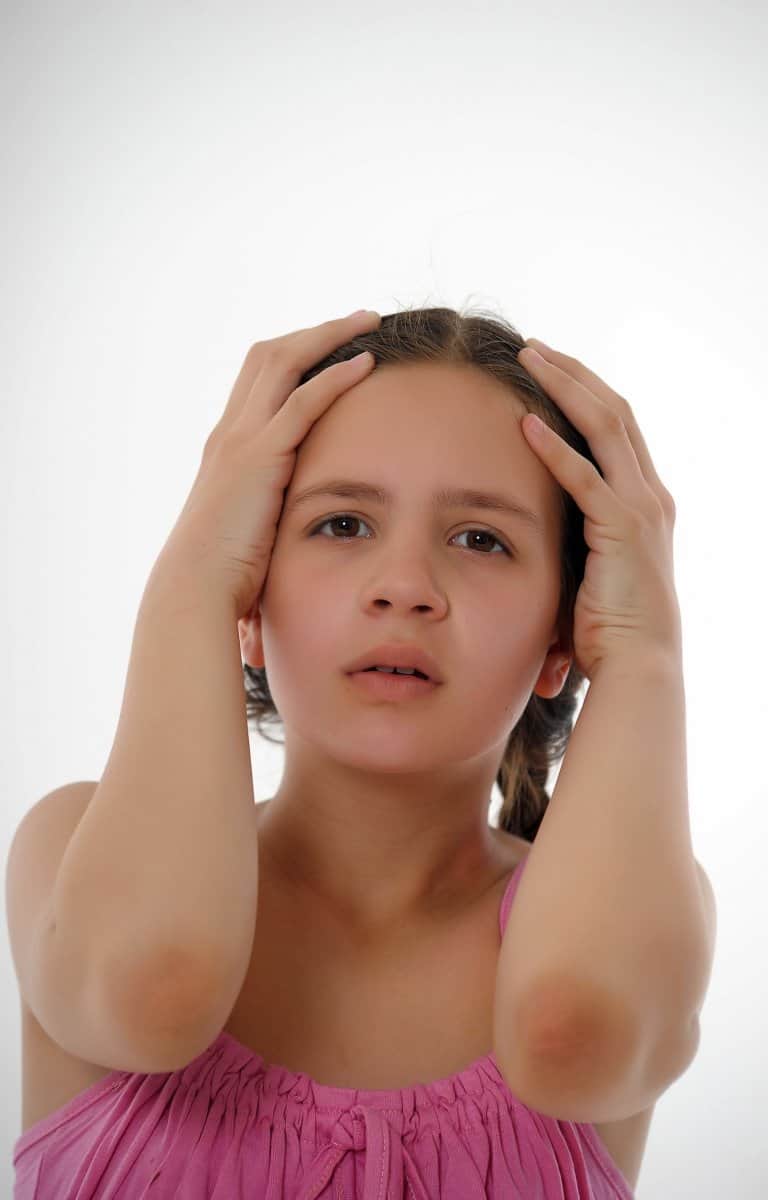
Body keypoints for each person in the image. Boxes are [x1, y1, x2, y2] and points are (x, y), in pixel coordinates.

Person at [11, 306, 644, 1198]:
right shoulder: (71, 848)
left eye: (480, 539)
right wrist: (191, 582)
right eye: (341, 525)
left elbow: (575, 1036)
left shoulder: (623, 908)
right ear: (248, 598)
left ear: (559, 640)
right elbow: (154, 988)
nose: (404, 587)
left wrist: (642, 651)